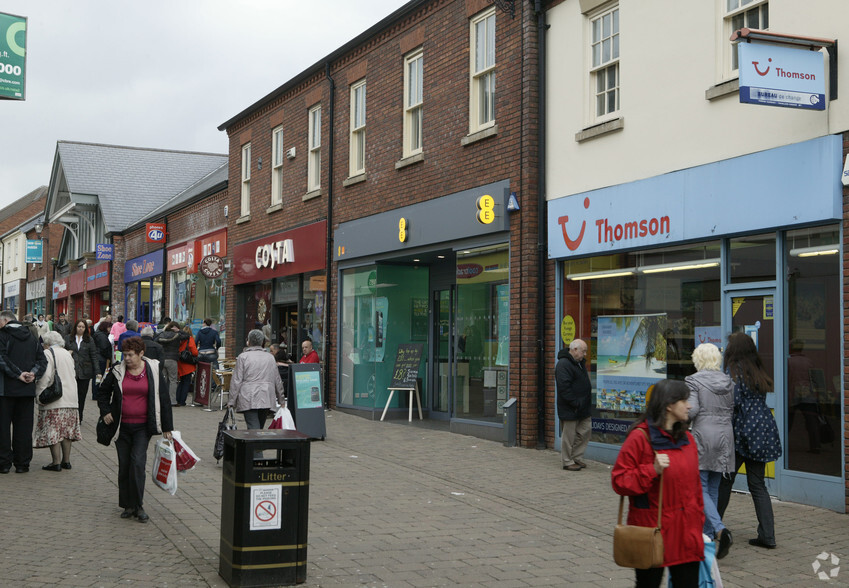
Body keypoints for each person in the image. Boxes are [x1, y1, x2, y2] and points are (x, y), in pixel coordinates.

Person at [612, 379, 704, 587]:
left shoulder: (687, 439)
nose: (689, 405)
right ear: (669, 405)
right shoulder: (640, 438)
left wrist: (699, 521)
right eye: (684, 400)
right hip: (652, 532)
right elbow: (619, 480)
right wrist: (651, 470)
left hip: (686, 534)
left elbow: (696, 487)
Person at [718, 332, 782, 550]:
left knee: (725, 480)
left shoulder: (734, 371)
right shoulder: (757, 370)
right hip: (762, 428)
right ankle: (768, 535)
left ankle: (713, 528)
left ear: (734, 349)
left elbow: (732, 403)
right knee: (758, 484)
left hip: (742, 431)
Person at [98, 336, 173, 523]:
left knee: (137, 463)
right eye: (125, 355)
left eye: (131, 355)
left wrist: (167, 427)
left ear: (141, 353)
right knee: (125, 467)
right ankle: (127, 505)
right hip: (121, 427)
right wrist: (106, 410)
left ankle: (138, 506)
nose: (127, 359)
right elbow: (102, 392)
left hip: (142, 427)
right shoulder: (117, 370)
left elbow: (164, 399)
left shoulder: (153, 370)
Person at [685, 342, 735, 560]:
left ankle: (719, 529)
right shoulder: (728, 381)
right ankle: (706, 538)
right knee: (713, 487)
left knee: (700, 486)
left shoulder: (693, 380)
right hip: (725, 436)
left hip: (703, 435)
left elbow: (692, 410)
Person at [0, 309, 48, 473]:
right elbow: (42, 360)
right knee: (24, 428)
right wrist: (33, 374)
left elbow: (2, 359)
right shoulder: (32, 337)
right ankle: (22, 463)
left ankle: (4, 463)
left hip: (5, 391)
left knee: (3, 428)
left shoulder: (3, 335)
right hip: (27, 390)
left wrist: (18, 374)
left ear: (6, 321)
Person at [34, 331, 81, 471]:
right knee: (67, 431)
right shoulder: (67, 353)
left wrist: (39, 395)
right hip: (70, 397)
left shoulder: (48, 353)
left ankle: (56, 462)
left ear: (47, 343)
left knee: (53, 430)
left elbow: (46, 376)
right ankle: (66, 461)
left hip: (55, 398)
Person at [228, 329, 285, 430]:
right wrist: (281, 399)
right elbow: (277, 380)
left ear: (248, 342)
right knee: (259, 426)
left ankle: (256, 444)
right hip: (266, 395)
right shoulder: (270, 358)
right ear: (262, 342)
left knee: (254, 427)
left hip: (248, 396)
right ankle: (258, 443)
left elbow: (236, 381)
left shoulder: (243, 357)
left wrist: (231, 401)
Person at [556, 339, 591, 471]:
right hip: (570, 407)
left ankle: (576, 456)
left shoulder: (579, 363)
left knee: (585, 431)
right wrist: (575, 403)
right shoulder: (563, 364)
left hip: (583, 407)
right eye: (583, 351)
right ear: (575, 350)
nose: (585, 354)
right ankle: (567, 461)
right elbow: (564, 387)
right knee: (569, 436)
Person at [66, 319, 100, 423]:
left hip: (85, 372)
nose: (80, 328)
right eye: (79, 326)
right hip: (71, 371)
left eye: (83, 327)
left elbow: (94, 356)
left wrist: (98, 371)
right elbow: (62, 352)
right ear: (75, 327)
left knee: (81, 396)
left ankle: (79, 416)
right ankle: (70, 416)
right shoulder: (68, 338)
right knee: (71, 395)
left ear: (86, 328)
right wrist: (68, 353)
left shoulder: (89, 340)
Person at [154, 322, 187, 406]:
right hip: (172, 360)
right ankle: (172, 401)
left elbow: (155, 339)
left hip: (162, 359)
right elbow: (187, 336)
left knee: (163, 380)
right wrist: (179, 330)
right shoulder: (177, 335)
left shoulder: (161, 335)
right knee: (173, 380)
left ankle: (162, 400)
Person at [176, 325, 198, 407]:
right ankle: (182, 401)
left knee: (181, 382)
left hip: (180, 362)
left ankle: (177, 399)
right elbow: (194, 352)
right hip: (187, 363)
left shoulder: (178, 339)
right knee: (186, 383)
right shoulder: (190, 339)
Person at [92, 320, 113, 402]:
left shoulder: (98, 334)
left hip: (98, 357)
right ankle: (96, 393)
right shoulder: (102, 336)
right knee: (98, 376)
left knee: (97, 376)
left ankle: (95, 392)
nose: (110, 329)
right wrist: (109, 356)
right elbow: (104, 348)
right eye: (109, 327)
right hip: (101, 359)